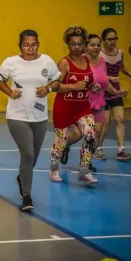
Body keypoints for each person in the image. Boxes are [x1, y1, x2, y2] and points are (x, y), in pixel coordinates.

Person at [0, 29, 61, 211]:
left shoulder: (46, 61)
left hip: (40, 117)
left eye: (34, 44)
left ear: (38, 44)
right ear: (20, 45)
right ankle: (27, 196)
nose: (30, 48)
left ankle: (22, 178)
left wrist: (48, 89)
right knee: (28, 154)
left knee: (33, 158)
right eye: (26, 44)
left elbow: (56, 80)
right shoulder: (11, 62)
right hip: (17, 117)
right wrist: (10, 91)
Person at [61, 34, 127, 168]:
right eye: (92, 44)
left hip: (98, 103)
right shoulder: (80, 61)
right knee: (78, 134)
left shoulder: (102, 61)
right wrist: (88, 87)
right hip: (81, 103)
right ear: (85, 46)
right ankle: (66, 145)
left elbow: (104, 81)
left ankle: (86, 161)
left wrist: (116, 92)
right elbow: (72, 82)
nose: (96, 47)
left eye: (98, 45)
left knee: (96, 133)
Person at [49, 26, 100, 185]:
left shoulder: (86, 60)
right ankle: (54, 168)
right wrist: (73, 86)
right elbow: (54, 86)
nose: (76, 47)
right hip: (64, 107)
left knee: (91, 136)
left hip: (82, 107)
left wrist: (93, 87)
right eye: (73, 44)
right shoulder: (65, 62)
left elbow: (87, 83)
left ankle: (83, 171)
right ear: (68, 45)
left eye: (79, 44)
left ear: (84, 44)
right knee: (61, 140)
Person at [94, 28, 131, 161]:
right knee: (105, 122)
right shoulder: (99, 55)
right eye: (109, 39)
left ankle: (121, 150)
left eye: (115, 38)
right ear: (103, 41)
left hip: (116, 91)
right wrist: (109, 78)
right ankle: (98, 148)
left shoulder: (120, 52)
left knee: (120, 119)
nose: (113, 41)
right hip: (103, 91)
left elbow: (122, 67)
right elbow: (97, 73)